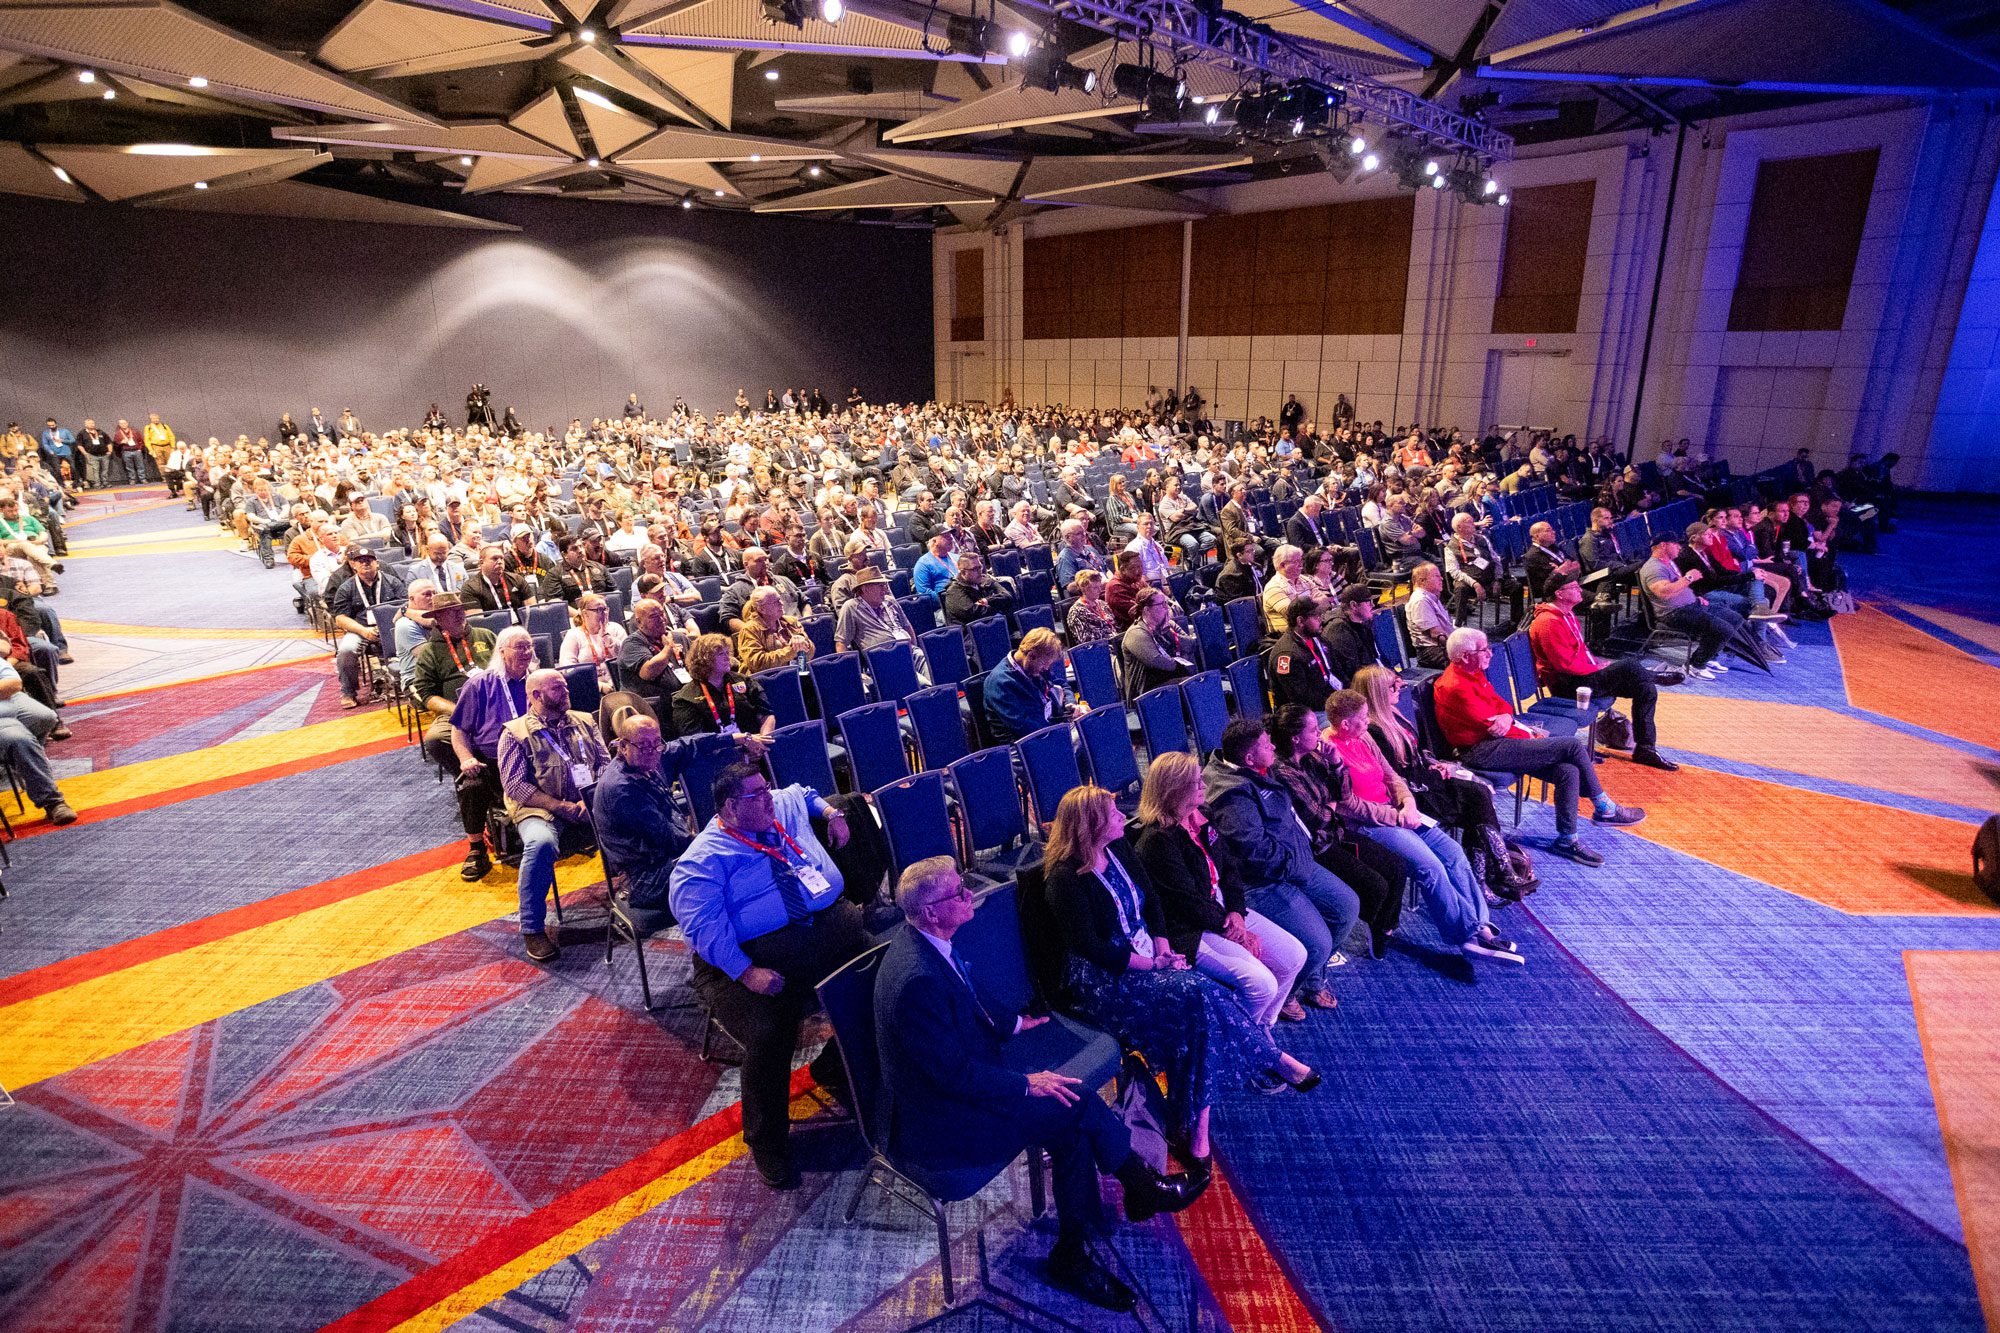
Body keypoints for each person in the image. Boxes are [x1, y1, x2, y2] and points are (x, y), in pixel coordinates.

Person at [875, 857, 1204, 1313]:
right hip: (942, 1126)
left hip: (963, 1085)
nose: (970, 895)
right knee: (1078, 1104)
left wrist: (1013, 1023)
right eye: (959, 893)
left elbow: (966, 990)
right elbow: (951, 1076)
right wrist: (1025, 1082)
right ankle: (1138, 1185)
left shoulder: (929, 942)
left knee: (1071, 1122)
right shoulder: (916, 981)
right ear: (930, 911)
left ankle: (1078, 1247)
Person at [1042, 785, 1320, 1168]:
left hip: (1147, 955)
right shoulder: (1065, 878)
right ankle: (1270, 1059)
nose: (1124, 816)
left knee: (1201, 1014)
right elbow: (1093, 949)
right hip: (1106, 980)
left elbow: (1152, 902)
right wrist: (1153, 965)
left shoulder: (1118, 849)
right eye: (1113, 814)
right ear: (1091, 825)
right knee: (1203, 999)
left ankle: (1197, 1125)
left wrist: (1161, 946)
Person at [668, 763, 865, 1190]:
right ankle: (767, 1140)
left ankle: (832, 1067)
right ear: (729, 808)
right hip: (741, 962)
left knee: (876, 978)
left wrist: (832, 815)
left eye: (766, 789)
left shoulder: (781, 807)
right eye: (756, 796)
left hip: (818, 932)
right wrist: (746, 973)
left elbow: (805, 787)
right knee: (771, 1032)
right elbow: (705, 931)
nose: (768, 799)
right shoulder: (702, 860)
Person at [1319, 691, 1519, 963]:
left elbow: (1391, 775)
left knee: (1454, 854)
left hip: (1401, 811)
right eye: (1364, 718)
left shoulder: (1364, 737)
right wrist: (1396, 816)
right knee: (1430, 868)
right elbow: (1347, 805)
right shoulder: (1328, 752)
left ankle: (1480, 925)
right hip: (1370, 824)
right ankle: (1464, 936)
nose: (1369, 722)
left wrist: (1408, 802)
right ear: (1345, 724)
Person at [1435, 628, 1644, 866]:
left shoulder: (1473, 673)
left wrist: (1506, 716)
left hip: (1498, 743)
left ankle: (1567, 839)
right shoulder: (1455, 686)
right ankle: (1604, 807)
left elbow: (1502, 707)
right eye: (1484, 650)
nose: (1490, 654)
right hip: (1481, 751)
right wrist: (1533, 738)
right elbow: (1495, 727)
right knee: (1572, 746)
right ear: (1465, 656)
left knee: (1568, 770)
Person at [1133, 753, 1309, 1026]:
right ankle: (1241, 1042)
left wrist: (1238, 913)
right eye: (1195, 782)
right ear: (1174, 790)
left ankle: (1260, 1030)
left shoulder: (1201, 816)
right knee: (1261, 985)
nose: (1204, 784)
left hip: (1225, 911)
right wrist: (1235, 931)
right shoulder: (1158, 841)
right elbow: (1187, 902)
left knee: (1295, 956)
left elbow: (1229, 869)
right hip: (1191, 927)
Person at [1202, 719, 1362, 1010]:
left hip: (1295, 859)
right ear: (1249, 758)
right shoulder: (1233, 796)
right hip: (1264, 881)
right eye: (1267, 744)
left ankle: (1313, 978)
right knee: (1317, 944)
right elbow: (1254, 852)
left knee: (1347, 905)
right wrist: (1293, 860)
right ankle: (1288, 993)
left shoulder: (1259, 769)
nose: (1274, 745)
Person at [1352, 665, 1536, 899]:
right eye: (1393, 686)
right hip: (1414, 796)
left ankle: (1491, 875)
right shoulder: (1375, 731)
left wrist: (1433, 763)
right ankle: (1495, 874)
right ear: (1377, 692)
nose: (1400, 687)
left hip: (1425, 780)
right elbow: (1397, 779)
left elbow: (1416, 753)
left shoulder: (1393, 715)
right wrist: (1435, 774)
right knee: (1475, 801)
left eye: (1398, 682)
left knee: (1478, 794)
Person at [497, 667, 612, 962]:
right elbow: (515, 786)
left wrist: (591, 796)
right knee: (541, 845)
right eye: (558, 689)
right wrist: (559, 806)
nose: (567, 694)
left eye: (566, 688)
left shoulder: (585, 720)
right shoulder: (514, 733)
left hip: (587, 800)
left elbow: (604, 762)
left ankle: (638, 893)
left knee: (634, 816)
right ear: (536, 696)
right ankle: (533, 929)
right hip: (539, 809)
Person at [1529, 572, 1677, 771]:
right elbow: (1563, 665)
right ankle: (1654, 675)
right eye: (1573, 587)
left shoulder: (1566, 615)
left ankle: (1645, 749)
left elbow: (1579, 652)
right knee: (1630, 665)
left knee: (1646, 688)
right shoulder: (1549, 621)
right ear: (1560, 594)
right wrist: (1595, 667)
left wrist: (1596, 663)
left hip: (1582, 677)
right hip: (1568, 684)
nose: (1579, 589)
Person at [448, 626, 537, 880]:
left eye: (529, 646)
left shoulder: (538, 680)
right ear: (501, 651)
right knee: (471, 785)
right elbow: (459, 731)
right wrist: (466, 758)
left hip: (536, 757)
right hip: (493, 761)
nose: (527, 652)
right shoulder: (479, 685)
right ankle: (476, 849)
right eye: (520, 647)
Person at [593, 712, 696, 914]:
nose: (653, 751)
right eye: (644, 745)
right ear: (623, 747)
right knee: (717, 871)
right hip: (644, 881)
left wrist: (733, 738)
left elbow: (683, 746)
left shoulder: (643, 763)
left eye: (657, 743)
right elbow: (671, 841)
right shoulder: (622, 790)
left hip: (661, 862)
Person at [1641, 534, 1745, 680]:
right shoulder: (1653, 567)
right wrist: (1689, 578)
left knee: (1735, 618)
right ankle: (1695, 666)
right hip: (1674, 613)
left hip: (1691, 605)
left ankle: (1709, 657)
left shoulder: (1669, 563)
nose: (1679, 547)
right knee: (1723, 629)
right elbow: (1663, 592)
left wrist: (1694, 597)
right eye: (1675, 544)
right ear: (1663, 545)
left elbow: (1677, 588)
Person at [672, 632, 776, 756]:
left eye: (727, 653)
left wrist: (762, 743)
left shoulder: (743, 681)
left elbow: (767, 714)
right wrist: (743, 741)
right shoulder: (685, 699)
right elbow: (696, 741)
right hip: (719, 757)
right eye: (721, 654)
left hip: (758, 750)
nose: (727, 658)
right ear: (704, 660)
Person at [328, 546, 405, 710]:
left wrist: (391, 625)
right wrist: (363, 631)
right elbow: (340, 618)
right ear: (353, 565)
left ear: (377, 563)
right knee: (346, 650)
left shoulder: (392, 582)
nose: (365, 564)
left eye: (369, 560)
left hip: (391, 626)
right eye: (360, 561)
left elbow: (405, 607)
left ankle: (411, 682)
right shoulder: (346, 588)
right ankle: (348, 692)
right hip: (361, 629)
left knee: (413, 637)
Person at [0, 658, 75, 825]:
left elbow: (14, 683)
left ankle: (27, 765)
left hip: (6, 707)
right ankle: (52, 801)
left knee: (44, 718)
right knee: (20, 740)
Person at [984, 627, 1077, 744]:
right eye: (1045, 664)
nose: (1046, 668)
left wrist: (1071, 704)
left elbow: (1061, 684)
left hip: (1050, 729)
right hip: (1024, 745)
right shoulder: (1000, 682)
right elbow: (1024, 726)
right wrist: (1063, 732)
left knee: (1093, 728)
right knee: (1086, 738)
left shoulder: (1035, 667)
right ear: (1031, 655)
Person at [1265, 595, 1341, 710]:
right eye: (1316, 617)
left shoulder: (1318, 639)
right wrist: (1335, 705)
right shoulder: (1287, 655)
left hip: (1327, 700)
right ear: (1300, 621)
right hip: (1302, 715)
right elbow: (1301, 698)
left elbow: (1337, 669)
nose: (1322, 620)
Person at [1119, 587, 1194, 698]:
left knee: (1198, 683)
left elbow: (1190, 645)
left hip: (1170, 678)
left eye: (1166, 603)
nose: (1166, 608)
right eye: (1161, 604)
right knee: (1192, 686)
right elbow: (1157, 661)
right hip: (1147, 690)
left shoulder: (1169, 625)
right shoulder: (1136, 633)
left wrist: (1168, 632)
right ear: (1147, 610)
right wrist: (1182, 662)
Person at [833, 566, 917, 653]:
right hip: (883, 658)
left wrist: (914, 648)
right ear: (865, 589)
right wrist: (849, 666)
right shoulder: (851, 607)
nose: (885, 589)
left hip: (910, 651)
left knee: (923, 657)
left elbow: (907, 626)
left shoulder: (889, 600)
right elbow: (841, 642)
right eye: (880, 586)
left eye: (885, 585)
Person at [558, 592, 627, 693]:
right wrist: (598, 686)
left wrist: (606, 636)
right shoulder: (573, 635)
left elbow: (626, 656)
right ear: (585, 613)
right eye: (599, 610)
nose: (604, 613)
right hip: (589, 688)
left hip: (619, 683)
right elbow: (568, 670)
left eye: (605, 609)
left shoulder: (616, 628)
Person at [1321, 584, 1383, 686]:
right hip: (1358, 686)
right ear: (1354, 605)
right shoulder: (1338, 630)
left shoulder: (1362, 621)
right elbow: (1353, 671)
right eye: (1368, 602)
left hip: (1371, 676)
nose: (1372, 605)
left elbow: (1374, 654)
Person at [941, 549, 1015, 626]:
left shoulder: (985, 579)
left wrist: (987, 601)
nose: (980, 571)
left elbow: (1007, 596)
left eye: (980, 567)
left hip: (993, 626)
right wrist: (999, 605)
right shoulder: (954, 590)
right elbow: (974, 613)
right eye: (974, 569)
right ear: (963, 572)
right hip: (970, 634)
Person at [1404, 562, 1456, 668]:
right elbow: (1436, 634)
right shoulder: (1420, 601)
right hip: (1430, 651)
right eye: (1436, 576)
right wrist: (1459, 645)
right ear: (1422, 581)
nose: (1441, 579)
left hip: (1441, 645)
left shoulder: (1431, 596)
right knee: (1470, 660)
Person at [1065, 568, 1117, 644]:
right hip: (1100, 650)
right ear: (1084, 589)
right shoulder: (1077, 612)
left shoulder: (1102, 604)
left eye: (1100, 587)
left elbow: (1114, 627)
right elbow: (1087, 643)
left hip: (1114, 643)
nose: (1100, 590)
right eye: (1095, 588)